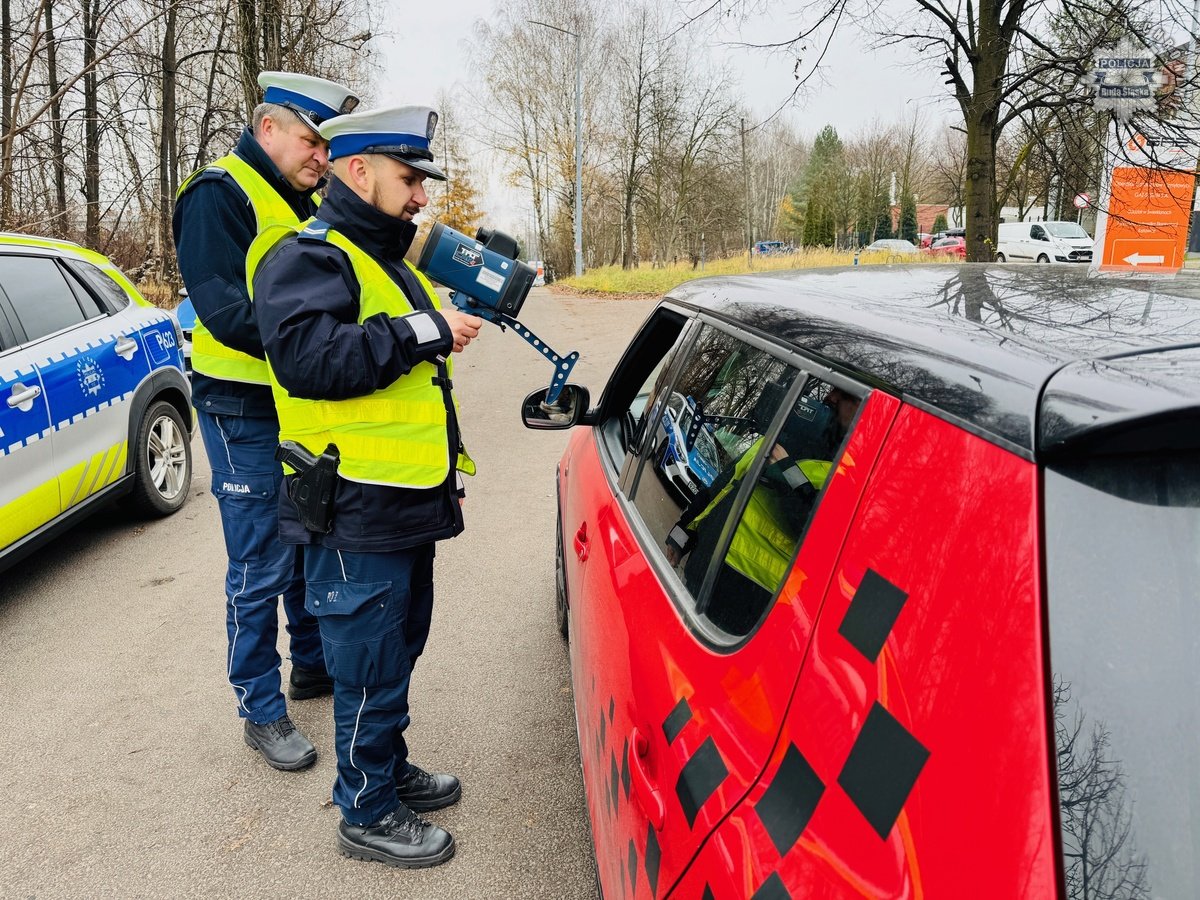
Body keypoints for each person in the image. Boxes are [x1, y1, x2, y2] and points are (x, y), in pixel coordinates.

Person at [247, 105, 484, 869]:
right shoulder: (307, 255)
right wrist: (426, 331)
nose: (420, 196)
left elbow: (404, 388)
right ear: (358, 171)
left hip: (403, 500)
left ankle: (385, 768)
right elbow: (309, 360)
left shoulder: (387, 262)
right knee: (365, 659)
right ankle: (366, 809)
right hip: (352, 506)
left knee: (395, 650)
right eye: (409, 178)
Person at [173, 72, 360, 771]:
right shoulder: (217, 194)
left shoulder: (302, 204)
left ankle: (310, 665)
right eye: (313, 141)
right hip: (240, 407)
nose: (321, 157)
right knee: (259, 561)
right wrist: (319, 342)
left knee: (307, 538)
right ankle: (259, 706)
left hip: (294, 403)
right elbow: (224, 310)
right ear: (269, 127)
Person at [665, 386, 861, 634]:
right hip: (703, 569)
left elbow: (822, 536)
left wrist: (788, 473)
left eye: (847, 396)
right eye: (833, 389)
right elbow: (722, 488)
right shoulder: (783, 435)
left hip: (750, 601)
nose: (830, 397)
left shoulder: (853, 475)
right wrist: (682, 536)